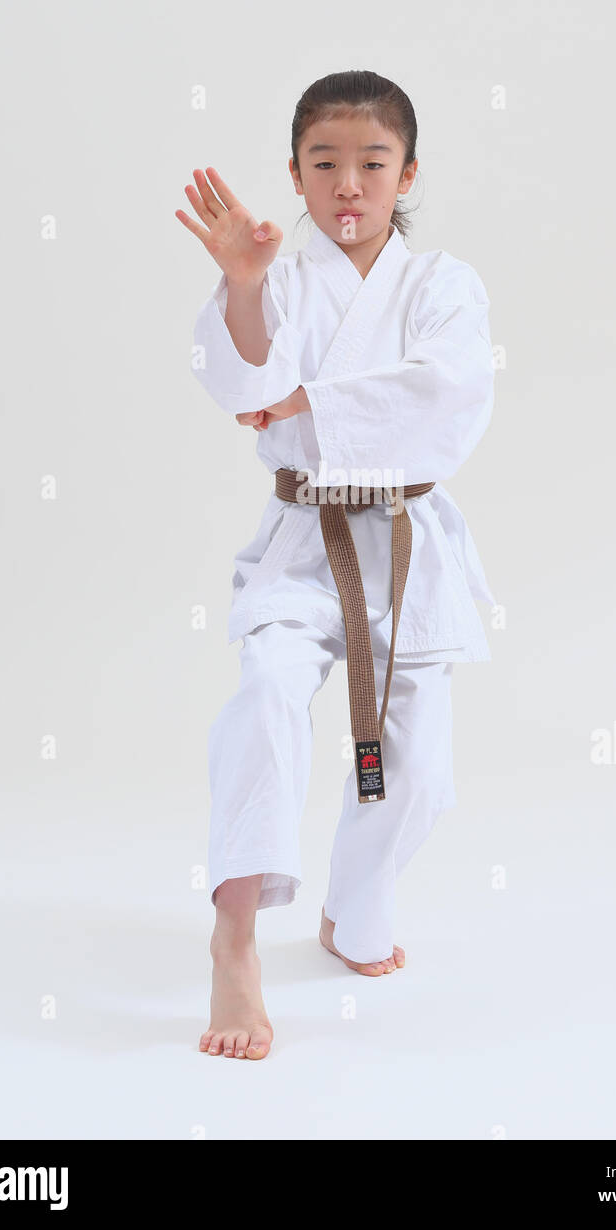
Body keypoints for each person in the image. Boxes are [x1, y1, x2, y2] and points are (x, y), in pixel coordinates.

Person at [176, 70, 497, 1061]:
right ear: (294, 175)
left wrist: (308, 406)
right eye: (324, 163)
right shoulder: (274, 275)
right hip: (302, 547)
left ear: (406, 173)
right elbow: (239, 382)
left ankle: (352, 910)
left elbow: (446, 396)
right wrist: (237, 283)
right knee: (269, 691)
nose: (347, 183)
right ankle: (234, 934)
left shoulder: (442, 284)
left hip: (404, 548)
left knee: (423, 777)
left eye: (371, 163)